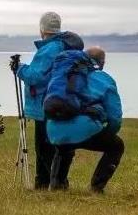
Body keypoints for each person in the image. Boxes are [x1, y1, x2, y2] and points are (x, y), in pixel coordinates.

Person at [10, 12, 84, 189]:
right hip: (61, 101)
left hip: (45, 104)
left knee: (44, 148)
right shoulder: (65, 46)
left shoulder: (50, 49)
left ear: (42, 29)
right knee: (53, 145)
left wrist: (19, 68)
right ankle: (49, 182)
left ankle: (49, 183)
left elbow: (35, 76)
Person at [47, 46, 124, 194]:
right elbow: (115, 116)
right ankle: (96, 187)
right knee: (116, 146)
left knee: (64, 146)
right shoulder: (104, 79)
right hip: (85, 127)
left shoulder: (64, 75)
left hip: (54, 129)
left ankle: (56, 185)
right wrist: (108, 132)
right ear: (101, 62)